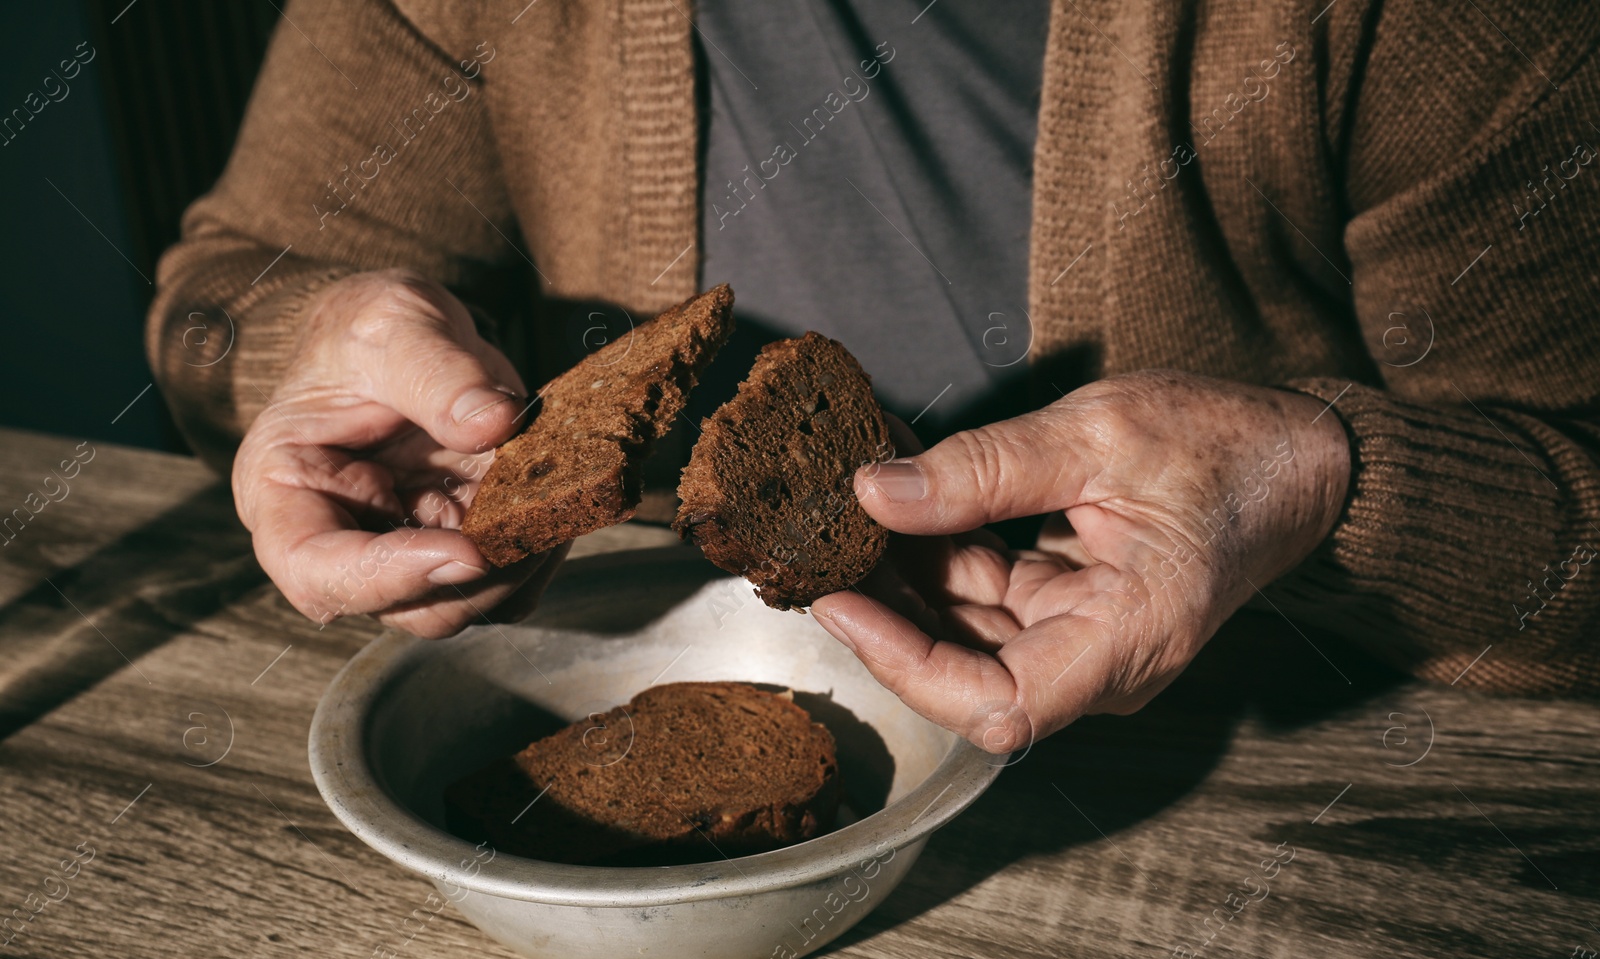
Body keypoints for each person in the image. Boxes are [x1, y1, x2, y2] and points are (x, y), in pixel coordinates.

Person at [147, 2, 1600, 753]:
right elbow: (218, 299)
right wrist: (304, 355)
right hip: (623, 714)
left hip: (1257, 788)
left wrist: (1323, 490)